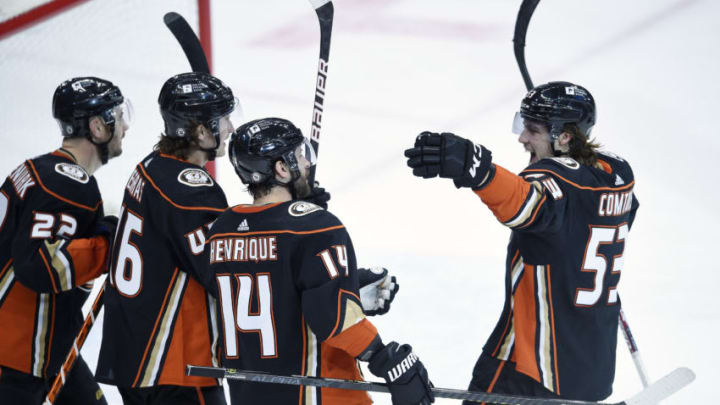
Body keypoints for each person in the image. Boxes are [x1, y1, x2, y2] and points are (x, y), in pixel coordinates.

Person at [404, 81, 639, 402]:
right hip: (590, 366)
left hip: (532, 364)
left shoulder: (552, 181)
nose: (522, 138)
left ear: (566, 137)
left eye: (532, 130)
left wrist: (479, 170)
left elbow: (527, 204)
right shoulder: (618, 175)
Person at [203, 117, 433, 405]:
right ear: (282, 168)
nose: (308, 163)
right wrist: (384, 357)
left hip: (248, 395)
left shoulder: (221, 231)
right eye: (300, 155)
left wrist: (350, 287)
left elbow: (267, 294)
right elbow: (334, 319)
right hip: (318, 396)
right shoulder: (317, 227)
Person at [94, 72, 237, 405]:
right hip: (175, 364)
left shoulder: (150, 167)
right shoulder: (190, 189)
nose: (230, 127)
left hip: (134, 356)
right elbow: (224, 272)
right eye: (223, 119)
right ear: (201, 131)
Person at [0, 76, 131, 404]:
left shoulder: (36, 169)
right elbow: (38, 264)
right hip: (18, 357)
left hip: (46, 351)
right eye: (118, 115)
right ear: (98, 127)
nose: (125, 126)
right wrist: (105, 248)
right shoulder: (70, 186)